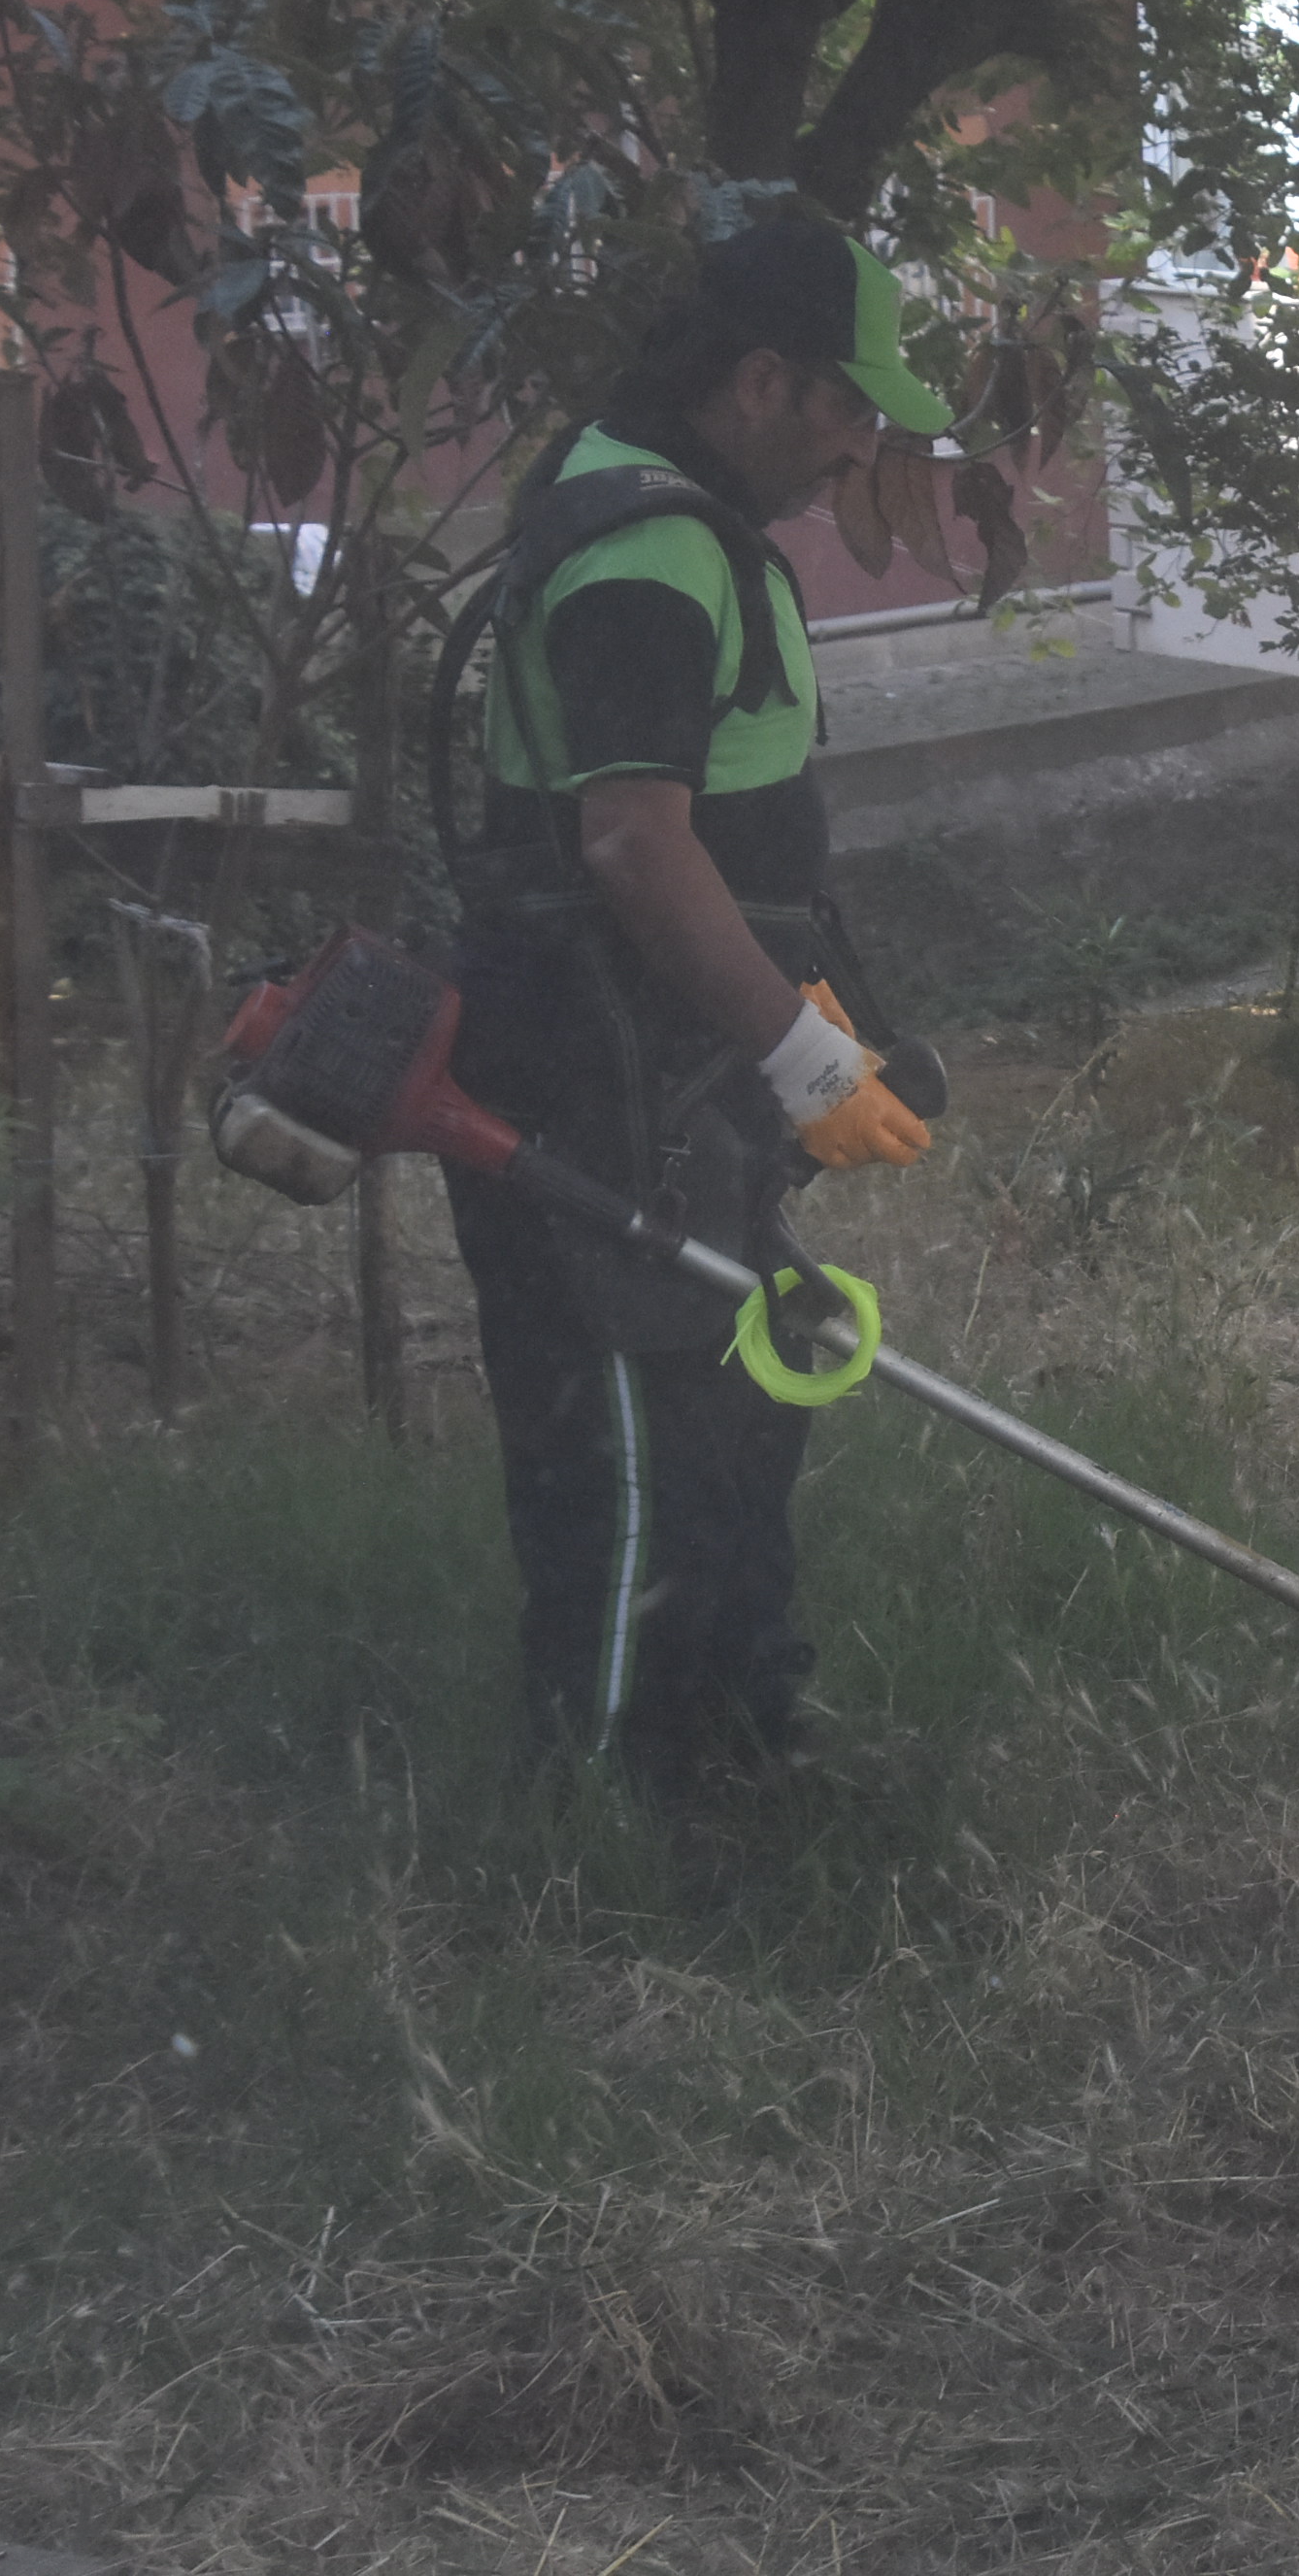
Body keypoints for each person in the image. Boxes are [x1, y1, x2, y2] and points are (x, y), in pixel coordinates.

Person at [441, 216, 955, 1800]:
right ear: (756, 379)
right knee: (623, 1459)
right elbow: (632, 841)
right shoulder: (648, 560)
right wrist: (800, 1054)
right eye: (844, 408)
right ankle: (592, 1821)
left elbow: (734, 835)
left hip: (677, 1087)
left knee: (739, 1407)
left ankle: (740, 1747)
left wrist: (833, 1033)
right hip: (592, 1089)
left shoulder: (682, 524)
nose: (859, 443)